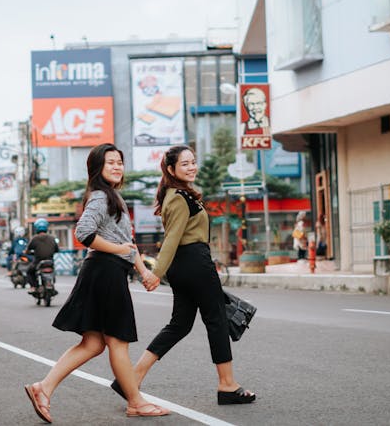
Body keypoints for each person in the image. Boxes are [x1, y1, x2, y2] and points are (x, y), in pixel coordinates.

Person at [25, 143, 169, 423]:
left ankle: (44, 388)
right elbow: (84, 232)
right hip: (105, 272)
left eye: (120, 162)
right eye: (110, 162)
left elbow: (128, 243)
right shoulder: (101, 197)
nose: (117, 166)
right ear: (97, 168)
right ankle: (136, 402)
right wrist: (117, 251)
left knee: (93, 343)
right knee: (117, 341)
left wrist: (144, 271)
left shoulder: (112, 196)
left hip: (105, 271)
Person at [112, 145, 256, 406]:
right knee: (216, 321)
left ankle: (131, 378)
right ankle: (227, 385)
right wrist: (155, 274)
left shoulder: (179, 195)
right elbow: (172, 238)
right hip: (194, 262)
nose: (191, 167)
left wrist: (161, 272)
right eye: (185, 164)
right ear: (171, 169)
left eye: (193, 162)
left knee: (180, 324)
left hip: (186, 265)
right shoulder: (178, 197)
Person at [25, 218, 59, 293]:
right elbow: (57, 250)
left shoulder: (34, 239)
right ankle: (51, 284)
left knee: (29, 272)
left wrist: (30, 252)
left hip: (38, 262)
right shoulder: (52, 238)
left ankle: (33, 287)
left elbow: (27, 250)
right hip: (50, 262)